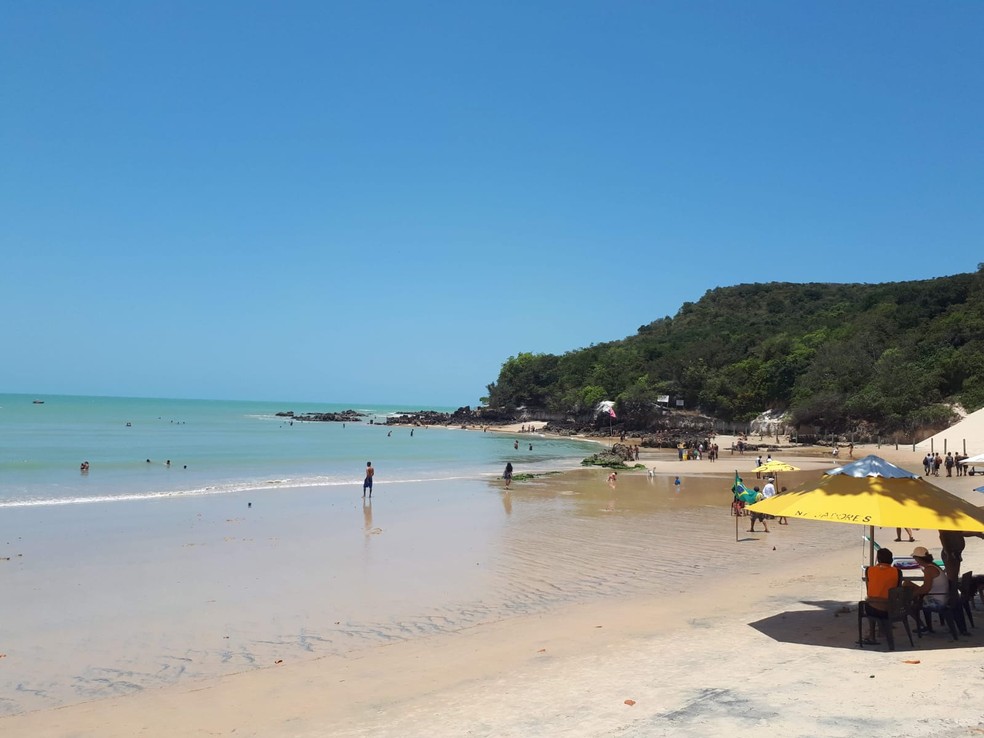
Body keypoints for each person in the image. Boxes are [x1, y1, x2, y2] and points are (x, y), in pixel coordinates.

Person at [904, 546, 948, 632]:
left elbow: (925, 589)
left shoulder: (929, 569)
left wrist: (911, 595)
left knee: (909, 606)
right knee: (907, 583)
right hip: (942, 596)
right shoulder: (933, 566)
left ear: (918, 558)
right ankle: (925, 626)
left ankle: (923, 626)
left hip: (937, 600)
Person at [862, 547, 902, 643]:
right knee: (879, 601)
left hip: (873, 606)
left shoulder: (869, 570)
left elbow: (869, 589)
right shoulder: (897, 572)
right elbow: (898, 589)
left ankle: (872, 635)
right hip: (891, 607)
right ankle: (882, 630)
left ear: (878, 560)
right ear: (891, 560)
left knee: (870, 602)